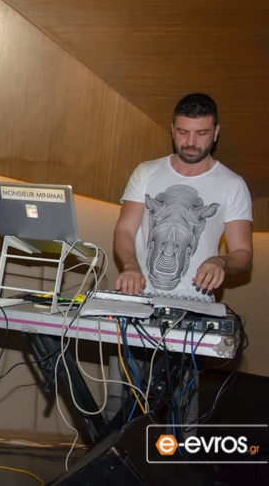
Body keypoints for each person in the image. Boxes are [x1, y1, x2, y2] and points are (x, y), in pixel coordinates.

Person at [108, 92, 253, 424]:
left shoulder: (232, 185)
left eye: (201, 133)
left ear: (216, 132)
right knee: (120, 406)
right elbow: (124, 230)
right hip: (139, 304)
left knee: (181, 415)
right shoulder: (147, 172)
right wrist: (130, 265)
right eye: (183, 132)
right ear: (172, 129)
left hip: (192, 314)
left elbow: (244, 254)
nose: (191, 142)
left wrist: (221, 262)